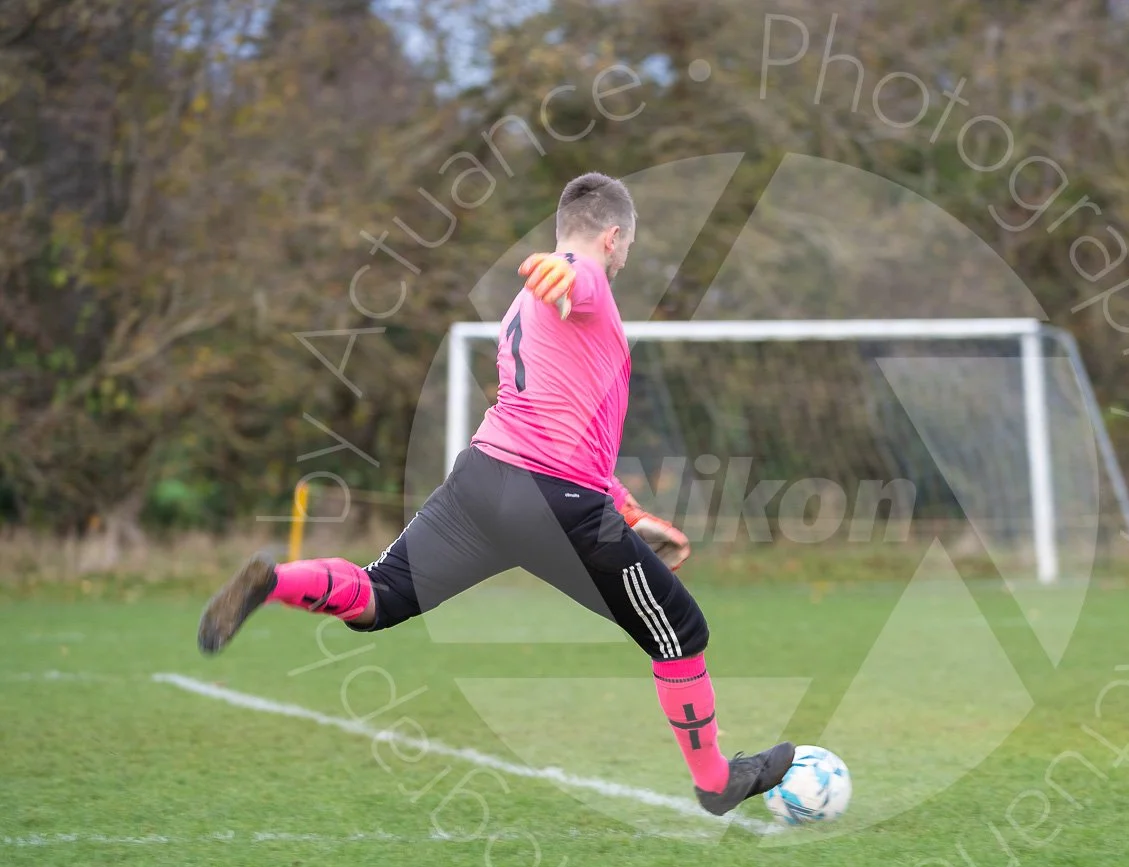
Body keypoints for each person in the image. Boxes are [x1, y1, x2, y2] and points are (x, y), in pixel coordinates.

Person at [197, 172, 794, 817]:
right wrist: (561, 269)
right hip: (553, 500)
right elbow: (578, 279)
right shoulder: (577, 283)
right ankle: (715, 781)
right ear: (615, 237)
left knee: (384, 596)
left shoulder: (521, 312)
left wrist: (623, 506)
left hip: (481, 481)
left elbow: (562, 416)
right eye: (623, 247)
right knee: (681, 631)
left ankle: (273, 581)